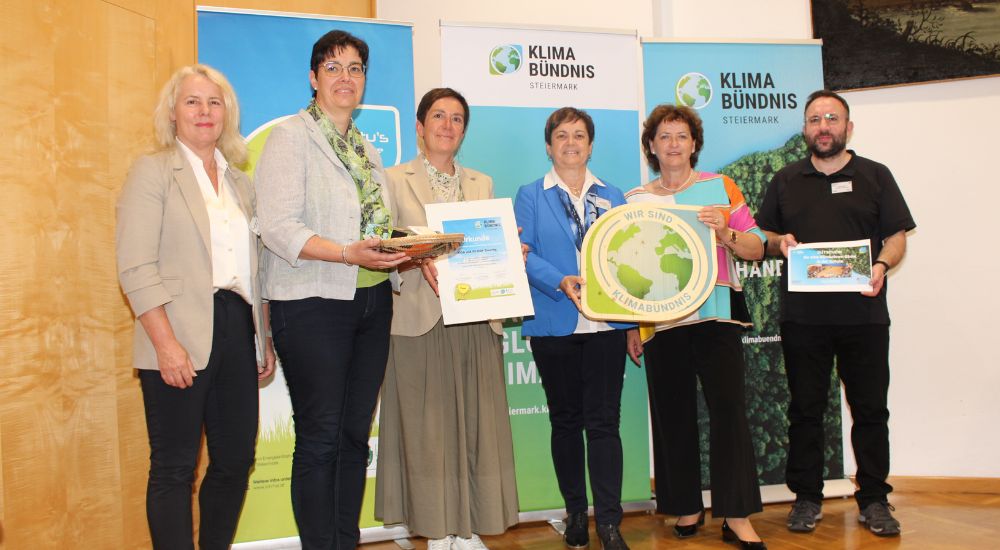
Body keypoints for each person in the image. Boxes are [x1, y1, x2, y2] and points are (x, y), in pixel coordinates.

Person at [254, 30, 409, 549]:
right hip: (312, 302)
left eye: (356, 68)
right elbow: (275, 225)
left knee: (351, 435)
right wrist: (346, 253)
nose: (347, 78)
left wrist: (408, 251)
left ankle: (345, 541)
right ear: (314, 77)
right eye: (335, 67)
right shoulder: (290, 137)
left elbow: (373, 225)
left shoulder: (364, 148)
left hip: (372, 299)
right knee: (320, 437)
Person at [116, 64, 276, 550]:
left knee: (233, 460)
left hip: (235, 328)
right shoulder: (153, 171)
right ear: (172, 113)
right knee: (174, 466)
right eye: (192, 101)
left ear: (227, 113)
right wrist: (165, 345)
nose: (204, 111)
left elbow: (255, 270)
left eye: (214, 102)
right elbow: (135, 266)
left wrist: (261, 338)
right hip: (176, 329)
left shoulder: (240, 183)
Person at [755, 89, 915, 538]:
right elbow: (765, 233)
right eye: (814, 119)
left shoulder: (875, 175)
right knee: (806, 409)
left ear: (847, 127)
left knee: (869, 410)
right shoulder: (786, 179)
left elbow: (897, 236)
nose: (823, 126)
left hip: (864, 316)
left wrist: (882, 265)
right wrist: (777, 242)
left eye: (831, 118)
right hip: (803, 316)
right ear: (805, 129)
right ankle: (806, 497)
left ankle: (874, 498)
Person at [374, 88, 519, 550]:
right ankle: (438, 531)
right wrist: (415, 262)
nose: (448, 125)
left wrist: (509, 256)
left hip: (475, 320)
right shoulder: (393, 180)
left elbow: (486, 247)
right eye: (438, 116)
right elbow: (380, 247)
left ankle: (468, 526)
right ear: (419, 127)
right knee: (429, 427)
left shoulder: (482, 183)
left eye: (457, 119)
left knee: (476, 423)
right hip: (419, 316)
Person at [624, 104, 767, 550]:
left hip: (716, 314)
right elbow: (628, 268)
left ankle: (737, 515)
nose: (672, 144)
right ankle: (686, 504)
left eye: (681, 136)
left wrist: (725, 231)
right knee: (673, 416)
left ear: (694, 144)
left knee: (728, 414)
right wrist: (633, 325)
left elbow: (757, 247)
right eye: (664, 136)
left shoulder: (721, 188)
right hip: (662, 322)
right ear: (651, 145)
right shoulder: (635, 199)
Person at [514, 107, 634, 550]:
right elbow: (521, 253)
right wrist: (558, 280)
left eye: (579, 135)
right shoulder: (530, 194)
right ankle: (575, 514)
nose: (570, 142)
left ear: (590, 144)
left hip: (606, 324)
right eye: (561, 135)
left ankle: (608, 521)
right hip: (553, 322)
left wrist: (635, 323)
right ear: (549, 145)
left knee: (604, 425)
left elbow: (629, 256)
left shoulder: (613, 195)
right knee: (565, 422)